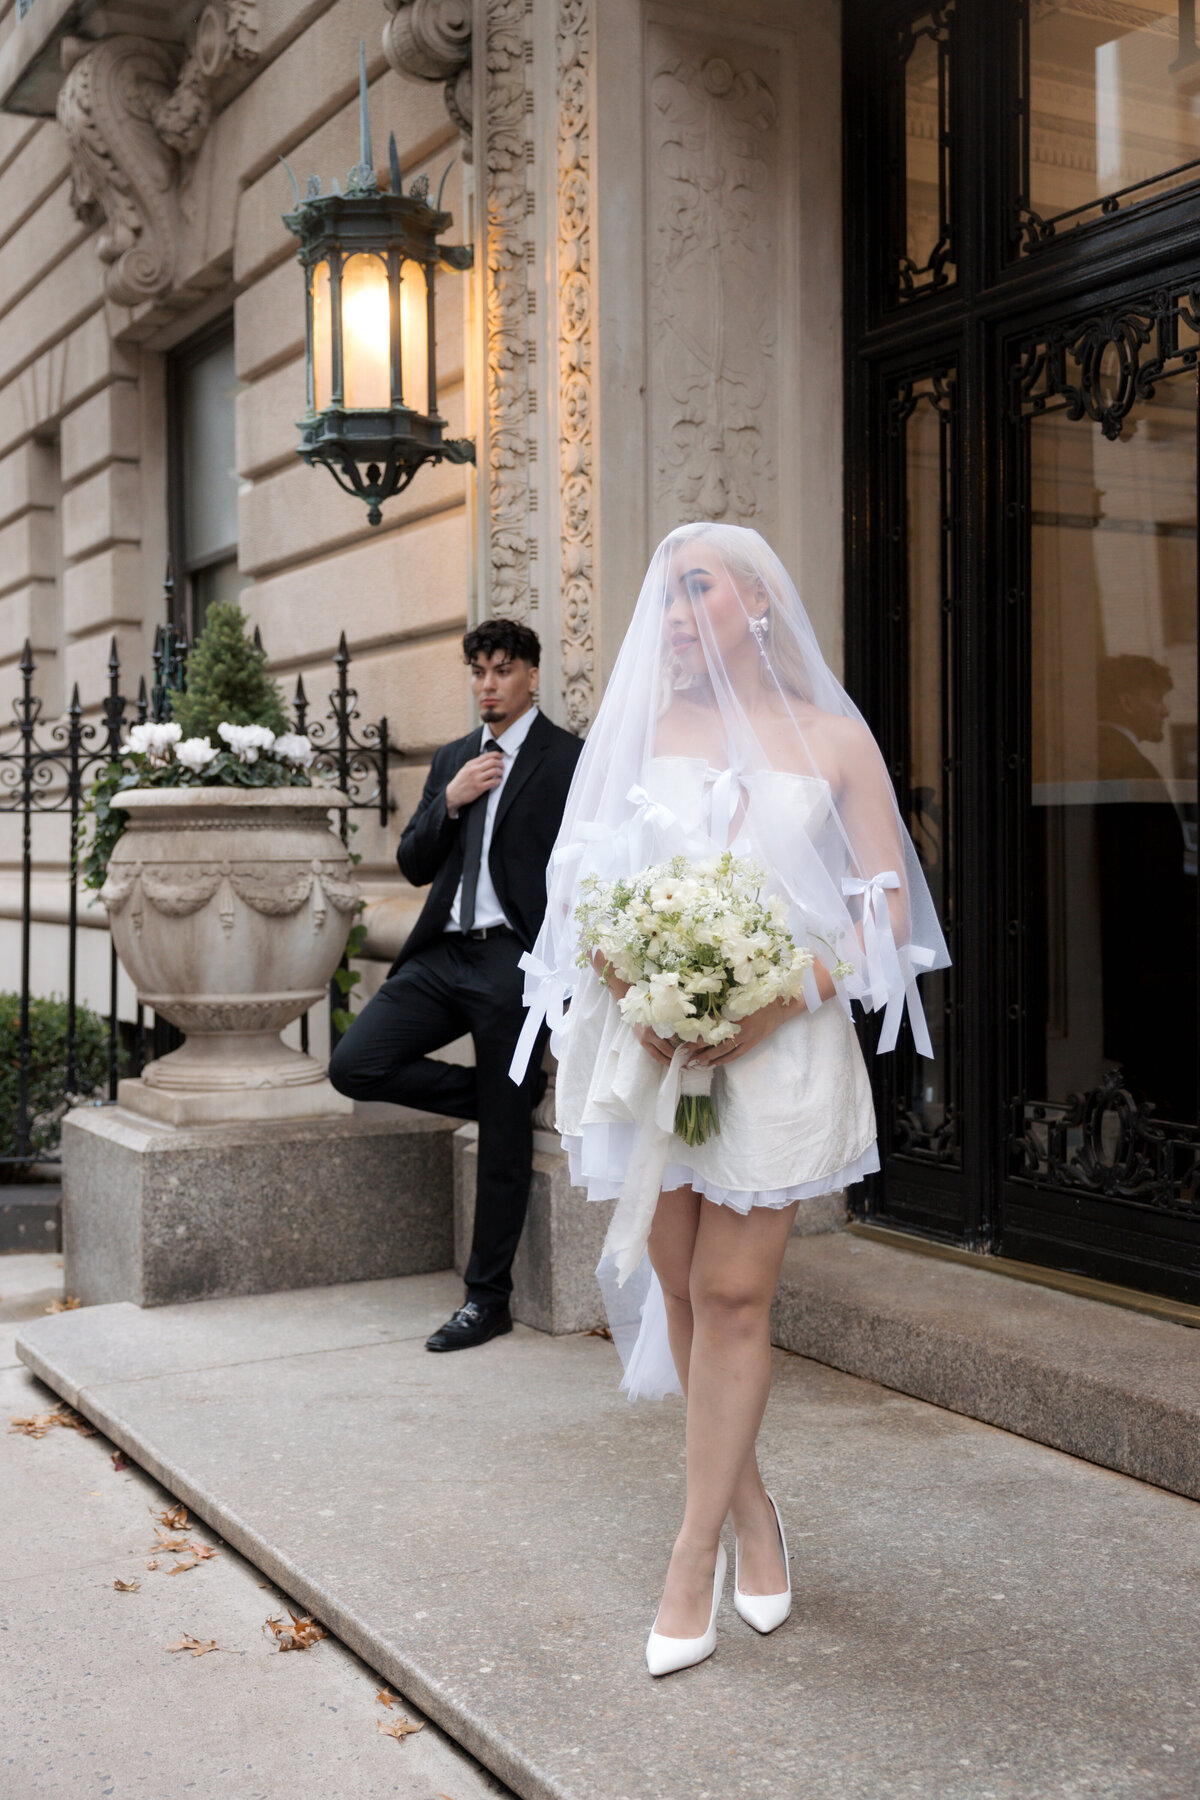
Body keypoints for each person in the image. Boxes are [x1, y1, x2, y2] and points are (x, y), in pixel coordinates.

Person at [511, 523, 948, 1675]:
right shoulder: (646, 730)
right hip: (651, 1050)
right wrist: (642, 987)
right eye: (660, 602)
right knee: (680, 1293)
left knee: (733, 1294)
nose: (670, 620)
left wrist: (769, 997)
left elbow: (887, 921)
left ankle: (690, 1549)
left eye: (692, 592)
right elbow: (581, 894)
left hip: (783, 1048)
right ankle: (755, 1515)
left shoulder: (836, 739)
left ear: (759, 601)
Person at [330, 618, 582, 1351]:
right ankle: (502, 1098)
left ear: (532, 676)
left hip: (514, 959)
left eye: (502, 670)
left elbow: (587, 870)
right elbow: (412, 862)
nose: (488, 684)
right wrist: (453, 799)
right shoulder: (452, 760)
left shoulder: (569, 761)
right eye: (478, 671)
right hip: (445, 954)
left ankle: (486, 1297)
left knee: (505, 1141)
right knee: (356, 1064)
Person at [1095, 654, 1195, 1121]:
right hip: (1145, 964)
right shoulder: (1120, 761)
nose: (1165, 711)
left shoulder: (1109, 756)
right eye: (1158, 699)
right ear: (1128, 701)